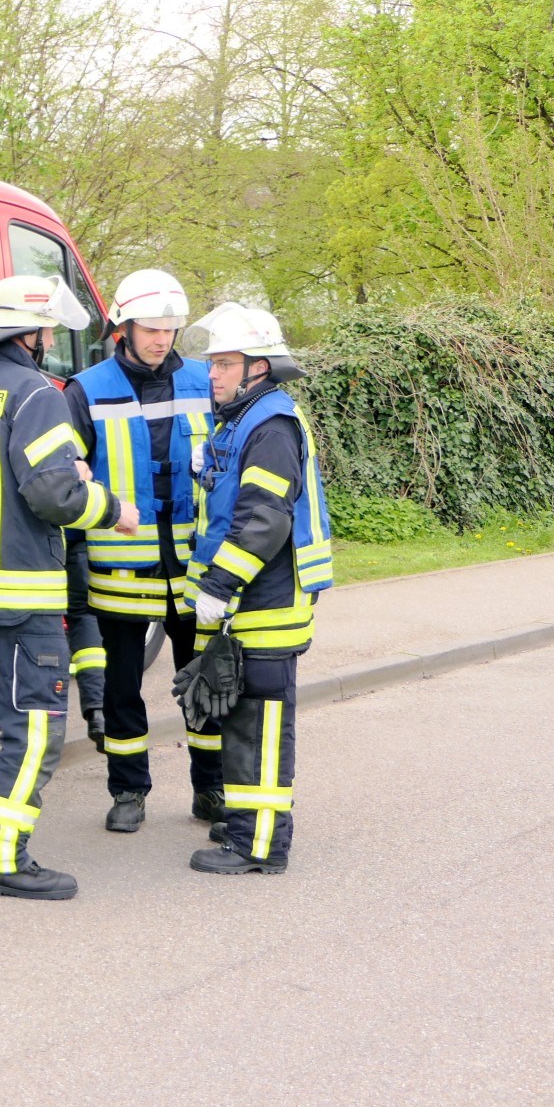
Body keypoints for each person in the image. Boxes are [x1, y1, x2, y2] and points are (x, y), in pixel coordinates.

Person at [0, 275, 138, 900]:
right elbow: (52, 494)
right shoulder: (37, 394)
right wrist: (110, 508)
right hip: (21, 596)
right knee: (34, 730)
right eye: (48, 329)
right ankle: (0, 859)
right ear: (36, 333)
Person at [61, 269, 219, 833]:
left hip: (195, 569)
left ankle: (211, 789)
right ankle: (128, 790)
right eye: (151, 329)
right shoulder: (84, 389)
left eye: (170, 329)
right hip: (120, 568)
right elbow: (65, 476)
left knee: (204, 682)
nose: (161, 339)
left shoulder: (206, 379)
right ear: (122, 327)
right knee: (122, 689)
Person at [182, 303, 333, 874]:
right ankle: (245, 826)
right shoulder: (247, 419)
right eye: (212, 363)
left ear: (259, 368)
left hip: (266, 603)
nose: (213, 374)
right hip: (252, 601)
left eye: (225, 363)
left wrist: (220, 584)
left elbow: (264, 519)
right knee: (243, 722)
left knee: (261, 727)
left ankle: (260, 845)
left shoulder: (270, 426)